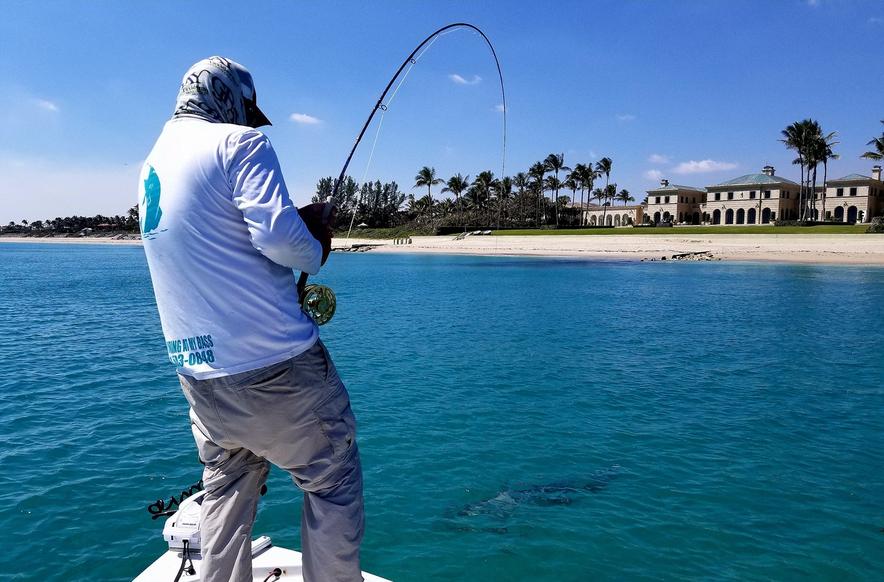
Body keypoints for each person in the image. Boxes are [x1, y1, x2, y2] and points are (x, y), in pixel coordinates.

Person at [138, 56, 363, 582]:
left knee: (226, 486)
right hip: (277, 368)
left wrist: (295, 228)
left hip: (201, 378)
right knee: (333, 481)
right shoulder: (240, 144)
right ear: (229, 98)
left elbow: (220, 240)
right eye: (245, 110)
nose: (248, 121)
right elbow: (285, 243)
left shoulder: (151, 165)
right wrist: (316, 243)